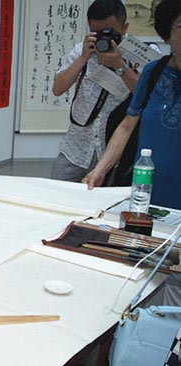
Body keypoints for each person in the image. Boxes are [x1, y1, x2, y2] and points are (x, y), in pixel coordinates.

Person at [84, 0, 181, 210]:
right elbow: (127, 126)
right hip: (146, 196)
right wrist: (100, 169)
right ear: (167, 34)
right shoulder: (154, 72)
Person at [50, 0, 139, 182]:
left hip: (114, 153)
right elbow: (58, 88)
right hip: (75, 149)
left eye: (110, 32)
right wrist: (84, 57)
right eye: (97, 33)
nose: (104, 38)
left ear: (124, 28)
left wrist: (120, 65)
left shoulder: (139, 54)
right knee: (55, 194)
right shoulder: (81, 50)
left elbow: (144, 95)